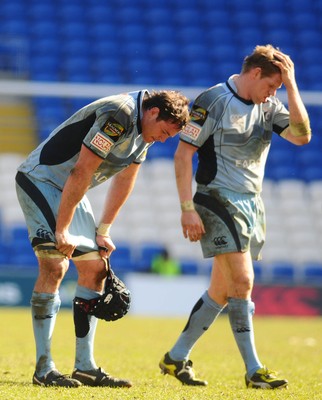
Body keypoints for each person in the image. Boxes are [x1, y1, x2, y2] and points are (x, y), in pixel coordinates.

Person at [159, 45, 311, 389]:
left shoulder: (270, 105)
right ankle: (254, 370)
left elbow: (302, 137)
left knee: (223, 291)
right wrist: (187, 209)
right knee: (243, 282)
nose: (273, 93)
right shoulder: (212, 100)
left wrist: (291, 86)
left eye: (277, 89)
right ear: (255, 73)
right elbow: (184, 156)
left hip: (251, 203)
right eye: (271, 85)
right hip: (216, 198)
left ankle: (175, 358)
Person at [15, 89, 190, 388]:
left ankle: (85, 366)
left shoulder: (144, 134)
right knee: (56, 266)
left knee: (96, 270)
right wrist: (63, 229)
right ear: (153, 113)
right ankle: (44, 368)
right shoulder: (119, 114)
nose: (162, 139)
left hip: (71, 190)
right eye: (163, 132)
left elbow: (126, 178)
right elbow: (82, 170)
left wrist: (104, 229)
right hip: (42, 180)